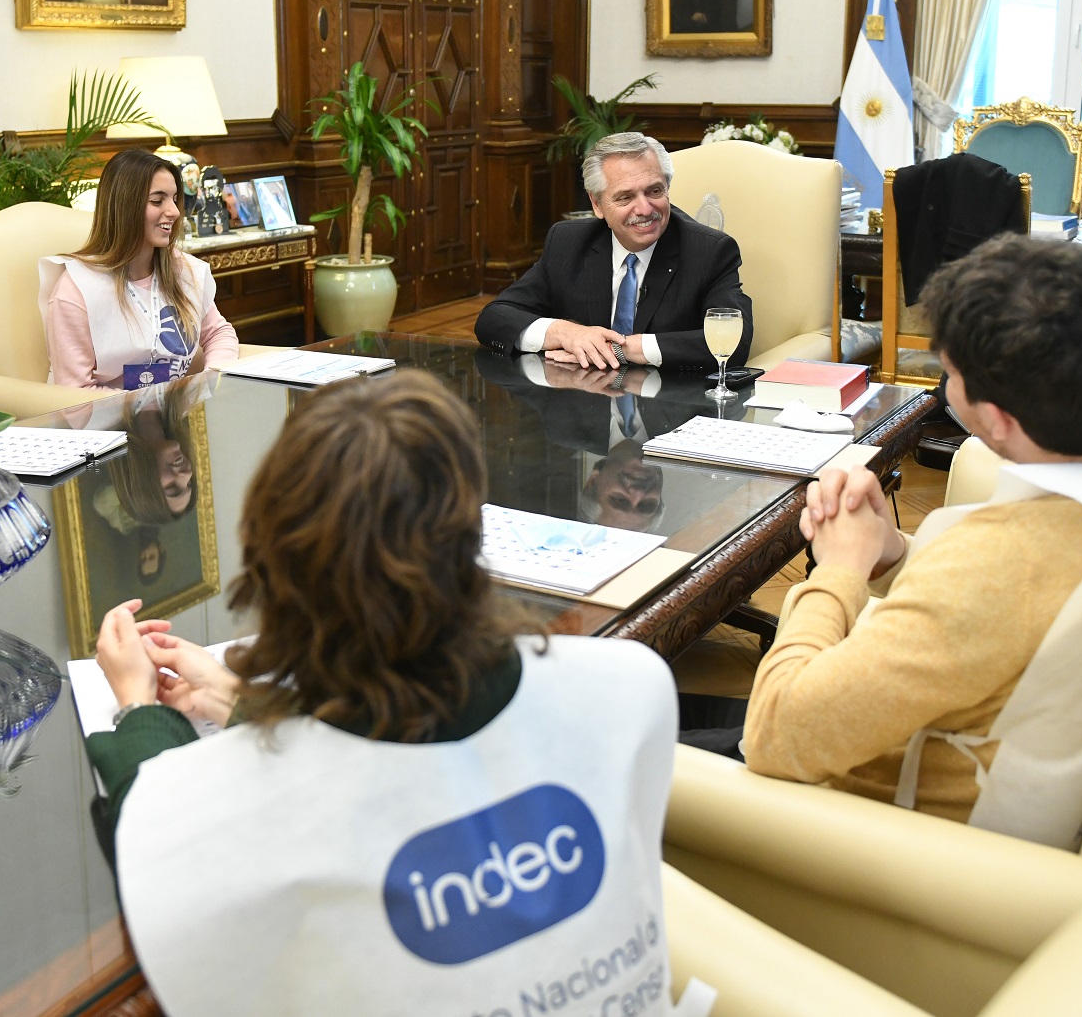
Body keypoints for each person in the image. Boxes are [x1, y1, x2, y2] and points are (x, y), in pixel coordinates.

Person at [84, 372, 678, 1015]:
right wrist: (242, 703)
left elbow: (152, 830)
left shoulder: (243, 809)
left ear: (279, 572)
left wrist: (138, 705)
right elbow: (413, 740)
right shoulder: (633, 684)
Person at [714, 237, 1082, 851]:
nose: (945, 388)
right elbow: (992, 621)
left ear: (999, 421)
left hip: (872, 836)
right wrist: (889, 552)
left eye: (951, 375)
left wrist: (838, 570)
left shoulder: (997, 562)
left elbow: (774, 734)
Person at [476, 131, 753, 371]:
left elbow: (734, 341)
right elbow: (495, 317)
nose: (644, 209)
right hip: (583, 403)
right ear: (597, 204)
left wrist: (622, 349)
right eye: (625, 197)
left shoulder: (709, 251)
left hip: (670, 404)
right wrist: (566, 333)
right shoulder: (568, 242)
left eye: (655, 191)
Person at [40, 149, 239, 389]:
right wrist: (142, 405)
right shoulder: (76, 292)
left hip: (178, 409)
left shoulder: (182, 269)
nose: (175, 212)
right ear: (124, 207)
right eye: (157, 200)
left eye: (174, 199)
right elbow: (75, 395)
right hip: (111, 413)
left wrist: (212, 380)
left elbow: (218, 333)